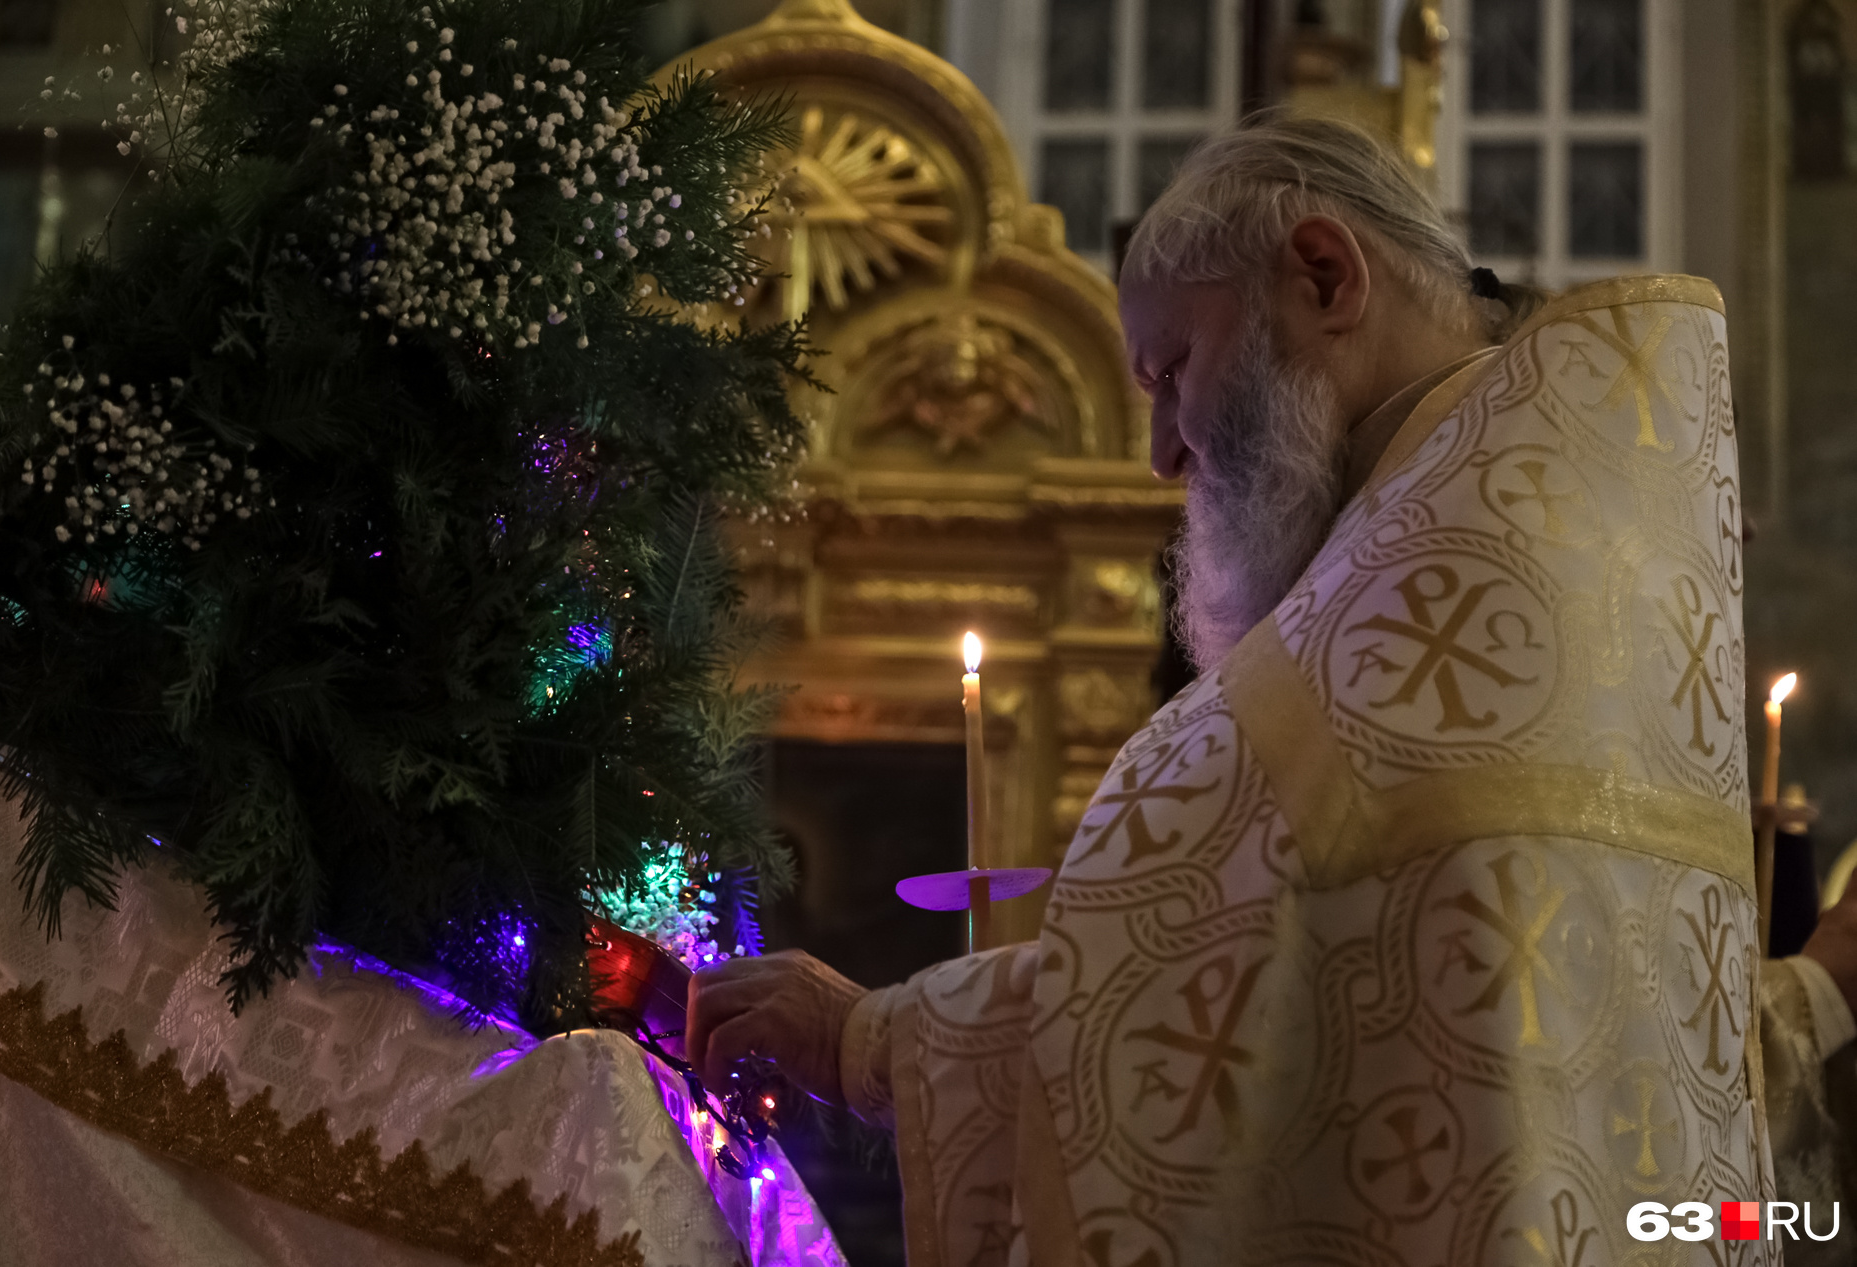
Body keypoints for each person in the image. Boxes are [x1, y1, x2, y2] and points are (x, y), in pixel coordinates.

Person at [688, 113, 1857, 1264]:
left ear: (1321, 273)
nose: (1158, 449)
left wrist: (871, 1039)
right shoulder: (1559, 542)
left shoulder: (1430, 587)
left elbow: (1172, 985)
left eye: (1171, 367)